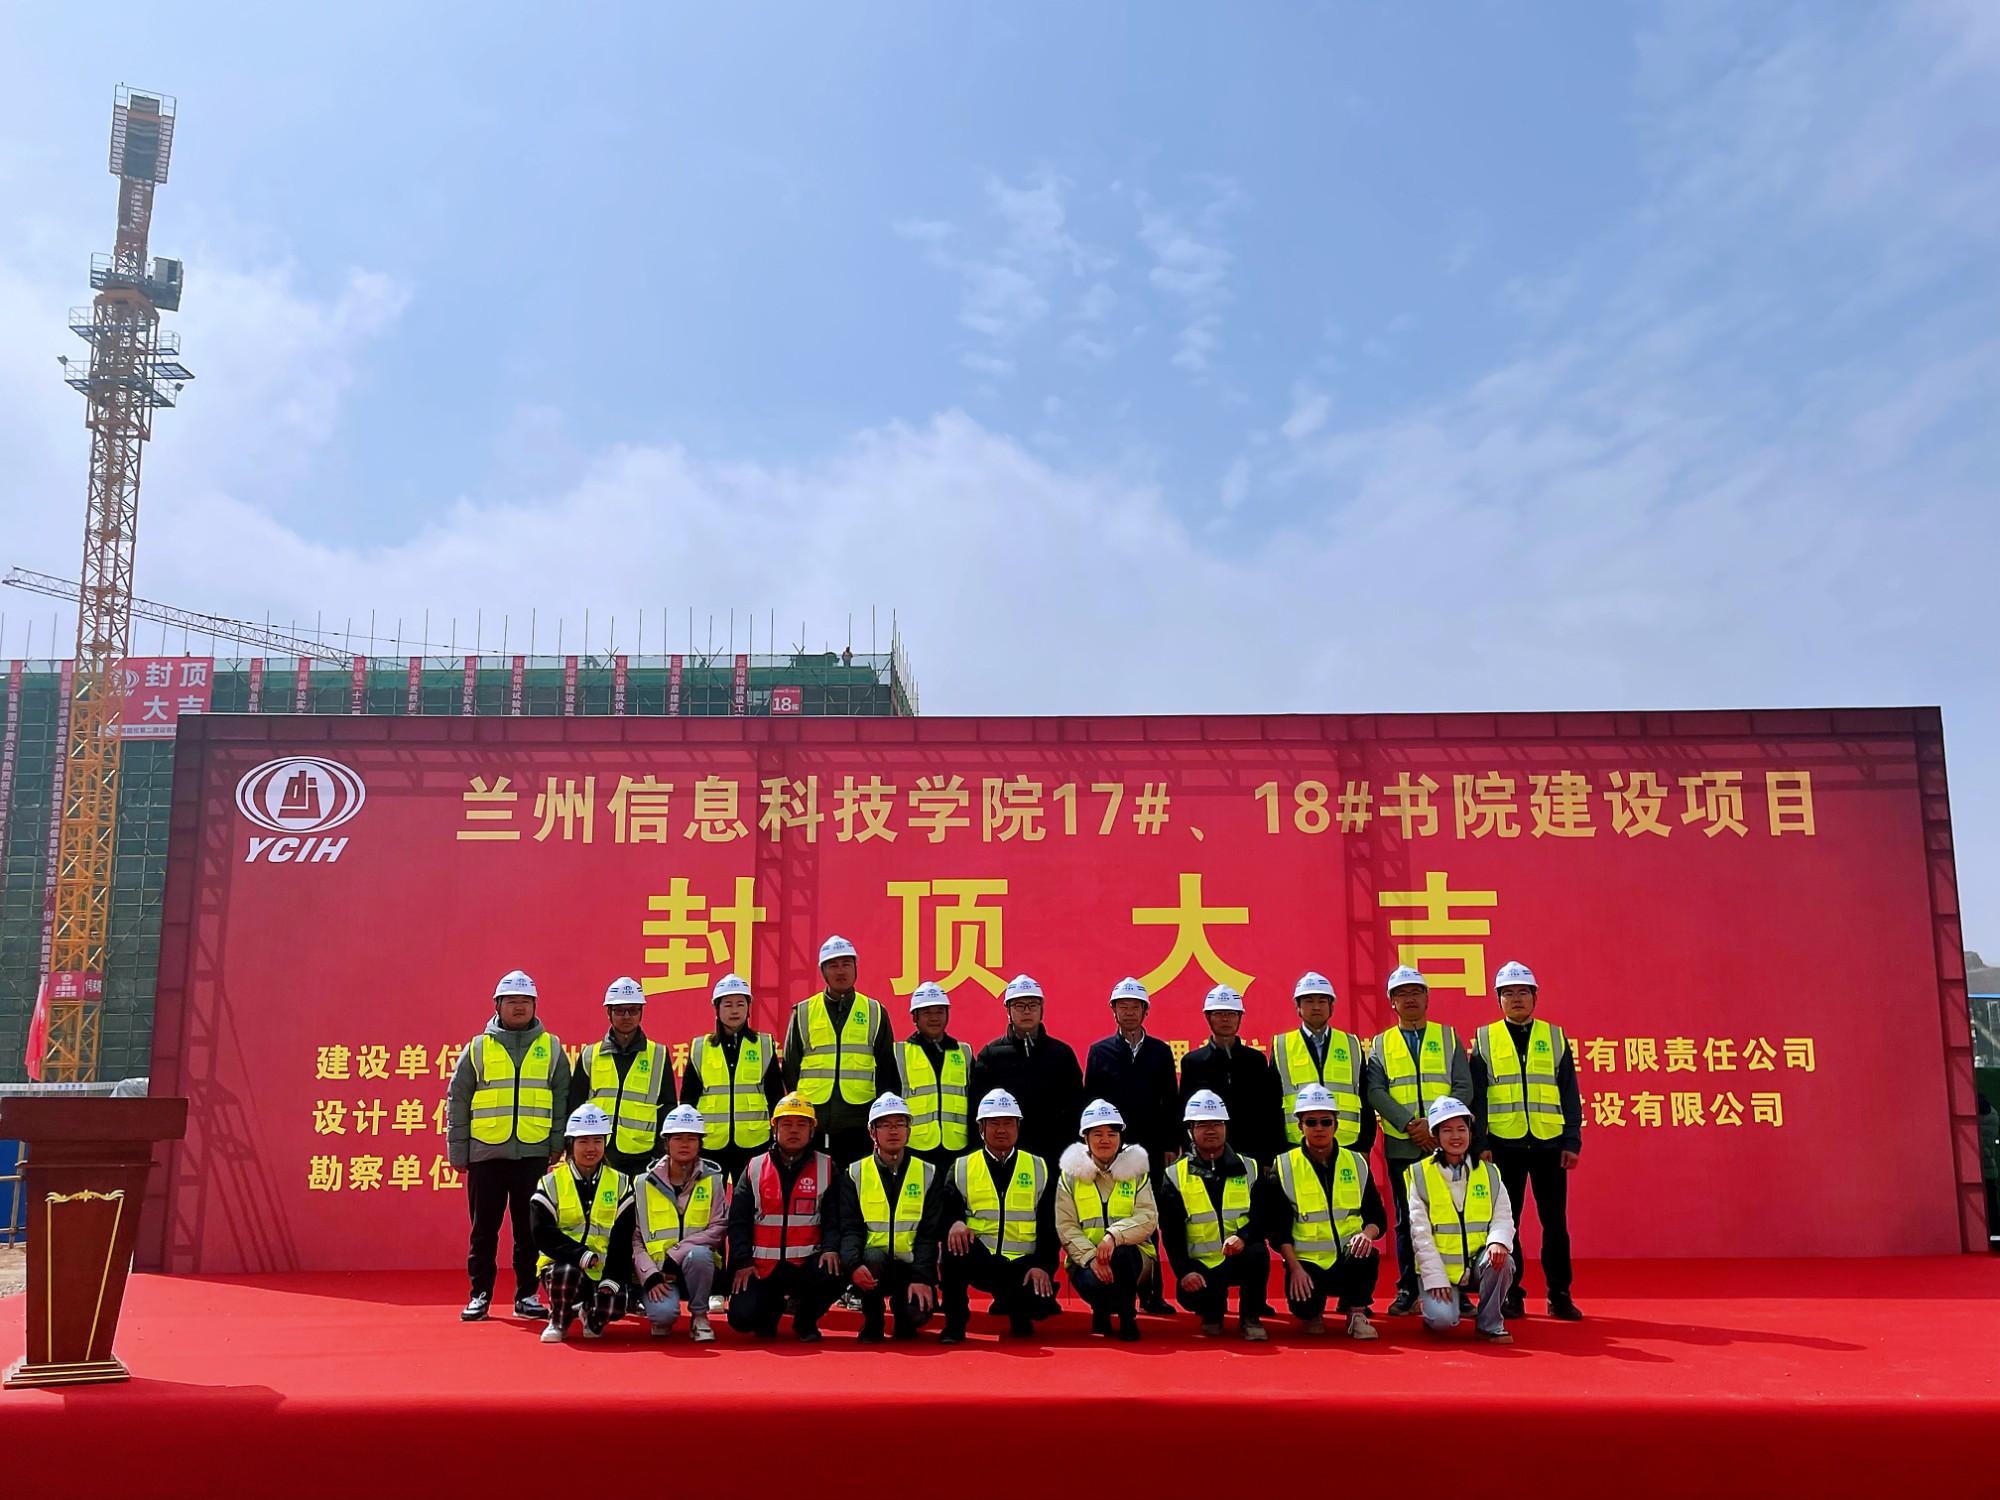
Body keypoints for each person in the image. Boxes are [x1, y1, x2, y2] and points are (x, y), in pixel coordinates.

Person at [448, 969, 572, 1322]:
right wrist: (458, 1151)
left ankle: (527, 1295)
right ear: (497, 1005)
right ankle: (480, 1295)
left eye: (526, 1001)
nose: (519, 1007)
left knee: (529, 1231)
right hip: (486, 1153)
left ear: (535, 1005)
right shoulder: (478, 1048)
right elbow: (458, 1099)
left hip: (532, 1154)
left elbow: (561, 1099)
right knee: (483, 1231)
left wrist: (556, 1144)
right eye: (512, 1001)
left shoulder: (552, 1048)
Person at [1472, 960, 1584, 1321]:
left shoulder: (1554, 1036)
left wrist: (1572, 1141)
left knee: (1555, 1223)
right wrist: (1480, 1142)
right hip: (1504, 1144)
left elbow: (1569, 1092)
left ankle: (1559, 1294)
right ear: (1498, 1000)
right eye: (1508, 993)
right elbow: (1478, 1098)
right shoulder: (1485, 1039)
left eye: (1523, 992)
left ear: (1535, 997)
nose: (1516, 998)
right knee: (1509, 1222)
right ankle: (1511, 1294)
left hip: (1550, 1143)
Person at [1363, 966, 1473, 1317]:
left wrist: (1436, 1126)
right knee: (1407, 1220)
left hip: (1447, 1144)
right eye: (1401, 994)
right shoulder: (1381, 1043)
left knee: (1453, 1217)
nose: (1409, 999)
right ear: (1391, 1002)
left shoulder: (1448, 1037)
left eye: (1416, 992)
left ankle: (1458, 1289)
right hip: (1403, 1143)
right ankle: (1408, 1290)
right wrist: (1410, 1124)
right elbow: (1375, 1091)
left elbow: (1464, 1086)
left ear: (1427, 997)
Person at [1081, 976, 1180, 1315]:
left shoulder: (1160, 1052)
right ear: (1113, 1011)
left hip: (1151, 1149)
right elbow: (1091, 1102)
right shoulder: (1100, 1052)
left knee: (1150, 1218)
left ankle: (1152, 1293)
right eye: (1122, 1006)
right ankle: (1116, 1291)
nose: (1129, 1012)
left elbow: (1171, 1102)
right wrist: (1094, 1148)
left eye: (1135, 1006)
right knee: (1116, 1216)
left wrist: (1171, 1144)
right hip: (1112, 1150)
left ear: (1145, 1011)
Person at [937, 1088, 1061, 1343]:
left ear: (1018, 1127)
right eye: (993, 1123)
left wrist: (1042, 1266)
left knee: (1039, 1304)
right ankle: (954, 1324)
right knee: (952, 1247)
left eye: (1008, 1123)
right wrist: (954, 1223)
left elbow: (1051, 1225)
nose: (1001, 1130)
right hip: (980, 1259)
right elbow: (944, 1209)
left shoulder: (1039, 1167)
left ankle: (1018, 1311)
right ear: (981, 1128)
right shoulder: (962, 1167)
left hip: (1023, 1264)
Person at [1263, 1082, 1385, 1339]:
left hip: (1348, 1259)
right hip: (1306, 1264)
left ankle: (1356, 1313)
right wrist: (1294, 1268)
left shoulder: (1357, 1163)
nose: (1319, 1128)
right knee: (1306, 1311)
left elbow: (1376, 1216)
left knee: (1366, 1254)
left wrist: (1366, 1235)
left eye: (1326, 1121)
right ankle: (1313, 1312)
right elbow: (1277, 1229)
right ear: (1300, 1126)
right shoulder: (1284, 1166)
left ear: (1336, 1125)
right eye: (1311, 1122)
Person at [725, 1092, 844, 1341]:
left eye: (802, 1124)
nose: (794, 1130)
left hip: (806, 1264)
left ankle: (805, 1321)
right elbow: (738, 1222)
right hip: (762, 1267)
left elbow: (834, 1218)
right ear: (774, 1129)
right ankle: (771, 1309)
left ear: (812, 1130)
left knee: (836, 1271)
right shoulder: (755, 1167)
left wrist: (831, 1249)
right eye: (786, 1124)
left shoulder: (826, 1167)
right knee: (742, 1319)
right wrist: (743, 1263)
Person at [1157, 1089, 1270, 1341]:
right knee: (1190, 1295)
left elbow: (1263, 1216)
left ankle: (1250, 1316)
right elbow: (1171, 1231)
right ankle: (1212, 1311)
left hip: (1238, 1256)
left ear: (1226, 1127)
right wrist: (1184, 1271)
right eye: (1202, 1125)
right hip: (1201, 1266)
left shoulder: (1249, 1167)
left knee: (1258, 1252)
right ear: (1190, 1131)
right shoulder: (1174, 1175)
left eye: (1217, 1123)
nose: (1210, 1130)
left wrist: (1243, 1237)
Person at [836, 1092, 945, 1341]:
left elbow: (929, 1234)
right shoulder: (855, 1173)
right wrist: (853, 1266)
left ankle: (903, 1316)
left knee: (917, 1315)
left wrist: (921, 1278)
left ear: (909, 1131)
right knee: (872, 1258)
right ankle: (873, 1321)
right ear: (872, 1132)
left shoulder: (928, 1173)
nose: (893, 1130)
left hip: (911, 1266)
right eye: (884, 1125)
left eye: (899, 1124)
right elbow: (850, 1228)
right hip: (873, 1265)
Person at [1408, 1096, 1516, 1343]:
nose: (1456, 1136)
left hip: (1476, 1263)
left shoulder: (1489, 1172)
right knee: (1443, 1321)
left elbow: (1503, 1216)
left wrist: (1497, 1242)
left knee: (1504, 1261)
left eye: (1461, 1129)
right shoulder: (1420, 1174)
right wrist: (1436, 1279)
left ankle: (1489, 1324)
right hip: (1440, 1268)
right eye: (1447, 1130)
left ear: (1470, 1132)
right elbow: (1420, 1235)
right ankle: (1435, 1307)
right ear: (1436, 1135)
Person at [781, 935, 896, 1166]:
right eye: (833, 965)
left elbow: (887, 1069)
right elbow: (790, 1067)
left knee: (855, 1182)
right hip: (814, 1120)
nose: (841, 971)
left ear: (855, 968)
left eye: (846, 964)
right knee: (815, 1182)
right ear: (823, 972)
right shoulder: (803, 1012)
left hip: (858, 1122)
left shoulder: (875, 1011)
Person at [530, 1104, 636, 1343]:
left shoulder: (621, 1183)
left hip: (603, 1267)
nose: (591, 1148)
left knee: (615, 1305)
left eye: (598, 1141)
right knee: (566, 1274)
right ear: (571, 1144)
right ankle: (558, 1321)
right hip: (563, 1265)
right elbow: (542, 1233)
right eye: (583, 1141)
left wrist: (613, 1277)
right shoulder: (550, 1183)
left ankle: (591, 1315)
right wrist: (580, 1255)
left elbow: (623, 1238)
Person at [1055, 1098, 1158, 1341]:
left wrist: (1114, 1236)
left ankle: (1127, 1317)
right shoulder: (1070, 1176)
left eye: (1112, 1134)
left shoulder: (1137, 1172)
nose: (1105, 1140)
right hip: (1085, 1260)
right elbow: (1066, 1225)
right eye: (1098, 1134)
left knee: (1123, 1256)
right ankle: (1100, 1310)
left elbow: (1148, 1216)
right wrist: (1092, 1257)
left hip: (1133, 1258)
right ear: (1086, 1138)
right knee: (1094, 1282)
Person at [632, 1104, 728, 1343]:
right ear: (666, 1142)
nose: (684, 1144)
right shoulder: (643, 1184)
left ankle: (699, 1316)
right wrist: (649, 1275)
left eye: (691, 1138)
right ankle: (662, 1309)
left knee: (700, 1255)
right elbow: (635, 1237)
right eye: (677, 1138)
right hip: (658, 1272)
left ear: (700, 1143)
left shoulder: (713, 1181)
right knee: (662, 1317)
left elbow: (718, 1228)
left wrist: (676, 1253)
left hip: (698, 1268)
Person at [970, 975, 1085, 1170]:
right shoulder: (990, 1055)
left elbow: (1077, 1106)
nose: (1026, 1011)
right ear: (1008, 1010)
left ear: (1042, 1010)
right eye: (1019, 1006)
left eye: (1032, 1005)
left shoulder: (1062, 1054)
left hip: (1055, 1153)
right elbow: (978, 1109)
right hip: (1007, 1154)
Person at [567, 976, 675, 1179]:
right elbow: (575, 1103)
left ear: (641, 1013)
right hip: (600, 1153)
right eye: (619, 1010)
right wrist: (573, 1147)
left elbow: (667, 1106)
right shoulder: (591, 1055)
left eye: (633, 1010)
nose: (626, 1016)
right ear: (608, 1012)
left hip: (642, 1156)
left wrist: (660, 1152)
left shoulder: (658, 1055)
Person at [682, 972, 782, 1188]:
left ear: (748, 1008)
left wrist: (776, 1135)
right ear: (717, 1009)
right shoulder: (700, 1048)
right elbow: (688, 1098)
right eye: (728, 1005)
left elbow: (774, 1094)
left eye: (740, 1004)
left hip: (754, 1141)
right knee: (707, 1199)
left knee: (751, 1199)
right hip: (710, 1142)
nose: (735, 1010)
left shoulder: (764, 1045)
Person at [1177, 985, 1282, 1169]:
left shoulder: (1256, 1061)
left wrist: (1268, 1158)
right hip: (1207, 1155)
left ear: (1240, 1017)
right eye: (1218, 1013)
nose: (1225, 1019)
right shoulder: (1193, 1062)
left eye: (1231, 1014)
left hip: (1252, 1154)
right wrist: (1190, 1154)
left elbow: (1270, 1111)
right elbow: (1183, 1113)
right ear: (1208, 1017)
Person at [1273, 971, 1373, 1157]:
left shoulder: (1351, 1044)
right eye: (1309, 1001)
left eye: (1322, 1001)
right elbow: (1272, 1101)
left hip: (1348, 1144)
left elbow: (1365, 1097)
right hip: (1295, 1145)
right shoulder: (1282, 1046)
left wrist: (1365, 1146)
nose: (1316, 1007)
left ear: (1331, 1006)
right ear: (1298, 1007)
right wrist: (1277, 1151)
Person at [895, 981, 976, 1165]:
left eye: (939, 1011)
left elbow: (974, 1101)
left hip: (957, 1147)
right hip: (914, 1148)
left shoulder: (964, 1052)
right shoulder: (899, 1053)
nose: (934, 1018)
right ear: (914, 1017)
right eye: (926, 1012)